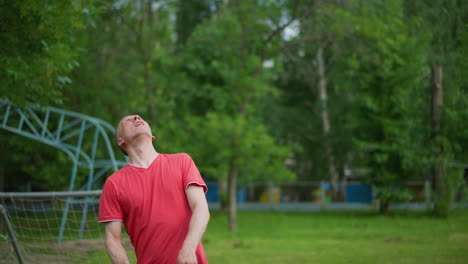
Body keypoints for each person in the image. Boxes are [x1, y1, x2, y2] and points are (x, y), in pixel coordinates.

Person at [98, 115, 210, 264]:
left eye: (139, 117)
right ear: (121, 141)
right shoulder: (114, 183)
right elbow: (112, 239)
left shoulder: (182, 161)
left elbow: (201, 208)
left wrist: (188, 249)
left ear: (152, 136)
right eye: (128, 120)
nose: (137, 117)